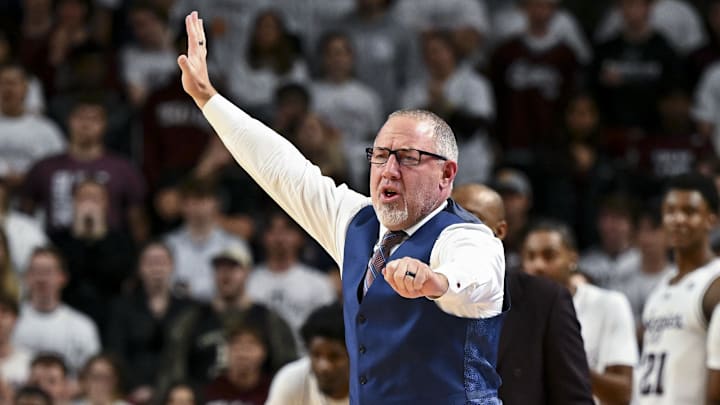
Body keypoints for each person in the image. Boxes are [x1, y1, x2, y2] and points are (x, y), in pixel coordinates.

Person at [177, 11, 507, 404]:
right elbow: (283, 169)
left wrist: (436, 281)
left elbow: (476, 277)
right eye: (381, 155)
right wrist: (208, 99)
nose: (389, 170)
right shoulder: (355, 221)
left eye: (408, 158)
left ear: (446, 174)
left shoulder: (466, 236)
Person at [453, 183, 593, 405]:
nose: (457, 228)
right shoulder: (418, 301)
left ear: (499, 231)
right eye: (448, 219)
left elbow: (575, 399)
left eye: (471, 218)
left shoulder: (545, 299)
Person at [521, 220, 638, 404]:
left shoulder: (609, 304)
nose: (538, 265)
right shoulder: (515, 315)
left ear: (573, 259)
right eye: (530, 256)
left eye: (549, 255)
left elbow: (622, 394)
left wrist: (565, 360)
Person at [157, 244, 297, 392]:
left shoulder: (270, 320)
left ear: (248, 272)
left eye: (233, 267)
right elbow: (172, 370)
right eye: (219, 268)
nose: (225, 274)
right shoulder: (191, 319)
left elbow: (288, 371)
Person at [636, 173, 720, 404]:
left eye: (689, 212)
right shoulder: (660, 288)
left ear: (711, 219)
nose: (678, 219)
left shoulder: (714, 283)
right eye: (670, 211)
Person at [105, 241, 195, 405]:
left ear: (172, 266)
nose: (156, 268)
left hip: (177, 394)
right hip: (133, 392)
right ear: (140, 268)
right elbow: (116, 352)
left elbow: (191, 354)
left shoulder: (187, 308)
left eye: (161, 262)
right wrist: (134, 387)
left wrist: (174, 391)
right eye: (150, 263)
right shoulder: (123, 307)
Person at [246, 210, 337, 346]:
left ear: (300, 237)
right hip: (260, 359)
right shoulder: (249, 281)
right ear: (263, 237)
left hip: (305, 357)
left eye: (287, 230)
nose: (279, 238)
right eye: (272, 230)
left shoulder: (318, 283)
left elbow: (327, 328)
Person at [13, 247, 100, 375]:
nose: (41, 278)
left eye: (48, 272)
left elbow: (91, 374)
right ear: (27, 277)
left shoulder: (82, 326)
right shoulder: (10, 321)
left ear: (63, 277)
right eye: (35, 271)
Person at [266, 303, 349, 405]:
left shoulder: (370, 386)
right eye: (316, 355)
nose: (323, 366)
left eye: (334, 357)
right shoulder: (291, 380)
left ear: (352, 356)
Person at [203, 320, 274, 405]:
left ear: (264, 352)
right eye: (236, 345)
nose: (242, 353)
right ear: (226, 351)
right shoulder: (210, 389)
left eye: (250, 346)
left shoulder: (274, 389)